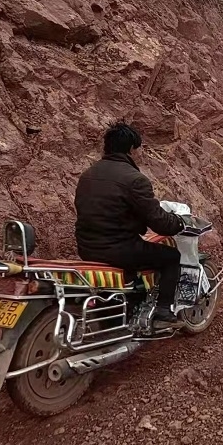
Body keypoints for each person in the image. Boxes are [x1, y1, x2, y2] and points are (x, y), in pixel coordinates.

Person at [74, 121, 185, 323]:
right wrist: (178, 223)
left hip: (87, 248)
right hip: (118, 250)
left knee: (139, 251)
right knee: (171, 257)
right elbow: (159, 222)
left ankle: (128, 303)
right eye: (139, 149)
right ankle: (163, 309)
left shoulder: (87, 175)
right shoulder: (135, 180)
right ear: (132, 149)